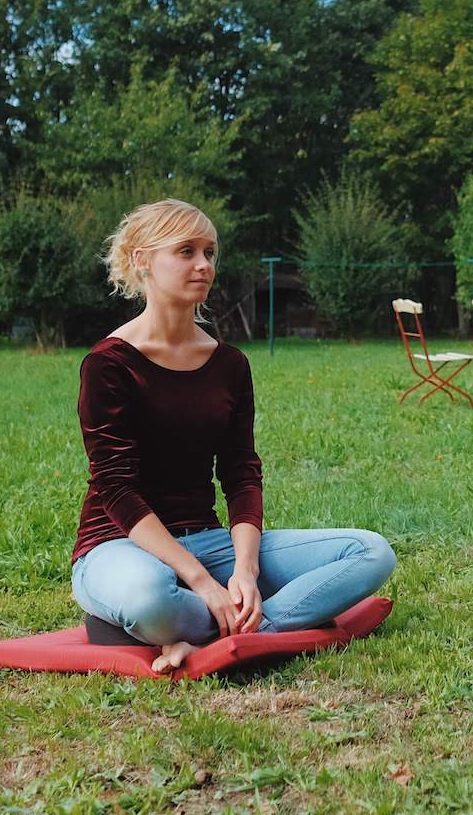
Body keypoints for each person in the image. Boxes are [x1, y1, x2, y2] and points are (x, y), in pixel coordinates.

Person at [70, 199, 396, 673]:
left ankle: (209, 638)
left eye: (209, 252)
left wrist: (246, 570)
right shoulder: (109, 364)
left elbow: (242, 473)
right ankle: (182, 620)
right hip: (119, 543)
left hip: (209, 540)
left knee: (370, 552)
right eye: (185, 251)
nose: (204, 265)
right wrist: (202, 582)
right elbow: (116, 490)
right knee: (148, 599)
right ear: (142, 260)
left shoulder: (230, 365)